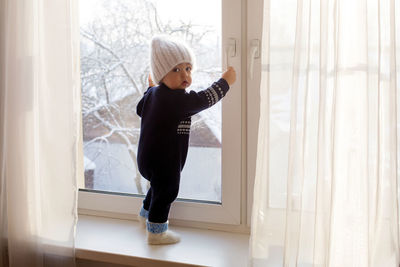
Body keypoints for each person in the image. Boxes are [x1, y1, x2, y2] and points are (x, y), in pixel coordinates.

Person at [136, 36, 236, 245]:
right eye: (176, 70)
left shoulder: (155, 94)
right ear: (162, 74)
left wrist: (150, 88)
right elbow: (202, 100)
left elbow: (139, 109)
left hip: (147, 158)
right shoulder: (176, 99)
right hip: (165, 160)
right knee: (167, 190)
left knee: (157, 187)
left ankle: (145, 214)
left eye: (188, 69)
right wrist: (225, 83)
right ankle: (156, 232)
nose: (185, 75)